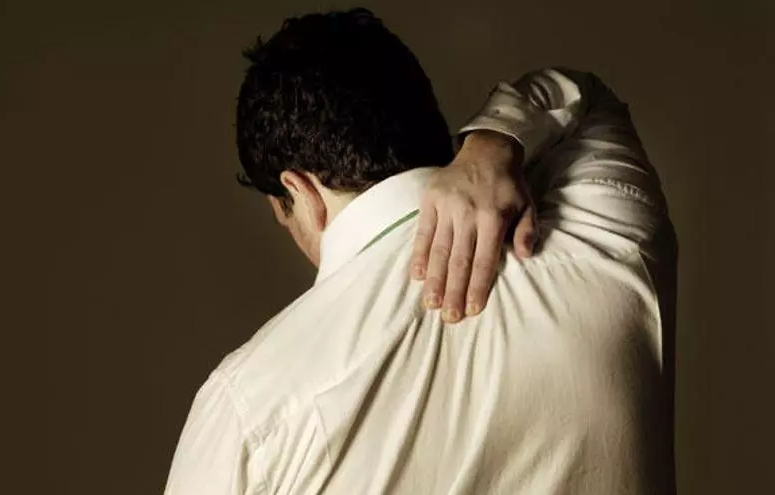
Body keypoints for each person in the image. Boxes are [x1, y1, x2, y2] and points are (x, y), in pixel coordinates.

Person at [164, 8, 677, 495]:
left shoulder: (246, 405)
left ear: (300, 191)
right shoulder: (607, 236)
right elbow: (585, 99)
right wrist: (493, 142)